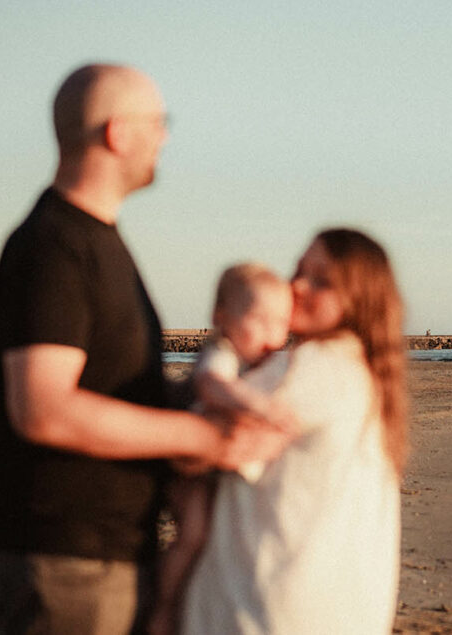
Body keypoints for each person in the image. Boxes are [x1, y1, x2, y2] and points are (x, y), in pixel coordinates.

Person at [0, 64, 290, 634]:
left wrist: (200, 399)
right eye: (158, 123)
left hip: (104, 553)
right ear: (117, 134)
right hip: (66, 560)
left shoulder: (101, 243)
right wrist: (205, 438)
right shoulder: (55, 246)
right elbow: (44, 408)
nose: (165, 137)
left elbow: (117, 388)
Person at [181, 228, 409, 635]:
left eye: (321, 281)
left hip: (266, 612)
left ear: (358, 300)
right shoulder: (364, 375)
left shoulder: (314, 366)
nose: (297, 286)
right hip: (335, 608)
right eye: (298, 271)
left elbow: (202, 444)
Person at [149, 263, 292, 635]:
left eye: (281, 324)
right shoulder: (221, 351)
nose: (272, 335)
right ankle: (160, 610)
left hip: (212, 462)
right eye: (259, 321)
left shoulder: (258, 357)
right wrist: (256, 405)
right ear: (221, 317)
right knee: (193, 534)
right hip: (188, 466)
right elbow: (212, 385)